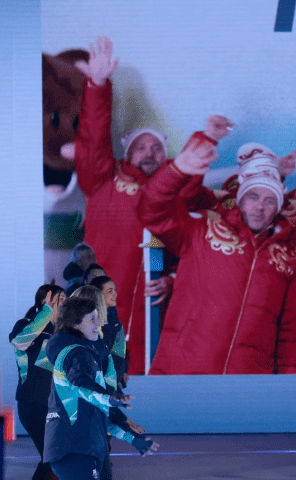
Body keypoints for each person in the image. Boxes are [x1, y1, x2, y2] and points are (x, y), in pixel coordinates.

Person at [73, 36, 229, 374]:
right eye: (140, 147)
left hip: (149, 311)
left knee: (141, 386)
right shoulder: (103, 180)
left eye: (157, 147)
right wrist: (97, 85)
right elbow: (93, 137)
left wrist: (171, 279)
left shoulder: (172, 193)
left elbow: (191, 248)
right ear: (126, 152)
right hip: (100, 304)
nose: (149, 153)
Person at [138, 134, 296, 375]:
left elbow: (291, 337)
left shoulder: (290, 259)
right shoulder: (203, 232)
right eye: (253, 196)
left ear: (279, 208)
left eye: (270, 200)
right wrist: (176, 171)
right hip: (181, 372)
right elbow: (152, 212)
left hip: (246, 388)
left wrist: (289, 392)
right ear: (240, 200)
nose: (260, 206)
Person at [43, 295, 157, 480]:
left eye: (100, 316)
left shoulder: (91, 353)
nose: (100, 323)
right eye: (93, 318)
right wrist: (111, 396)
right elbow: (80, 384)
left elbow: (100, 412)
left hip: (85, 446)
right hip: (73, 446)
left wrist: (133, 438)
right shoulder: (76, 353)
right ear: (75, 323)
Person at [10, 284, 66, 480]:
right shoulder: (26, 324)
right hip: (33, 404)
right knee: (53, 458)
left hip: (54, 405)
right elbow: (20, 342)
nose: (65, 303)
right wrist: (46, 313)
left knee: (53, 459)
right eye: (60, 299)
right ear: (46, 299)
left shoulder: (61, 331)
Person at [90, 276, 127, 389]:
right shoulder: (85, 319)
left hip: (110, 385)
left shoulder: (115, 322)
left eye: (115, 290)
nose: (115, 294)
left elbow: (119, 354)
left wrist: (119, 377)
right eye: (110, 291)